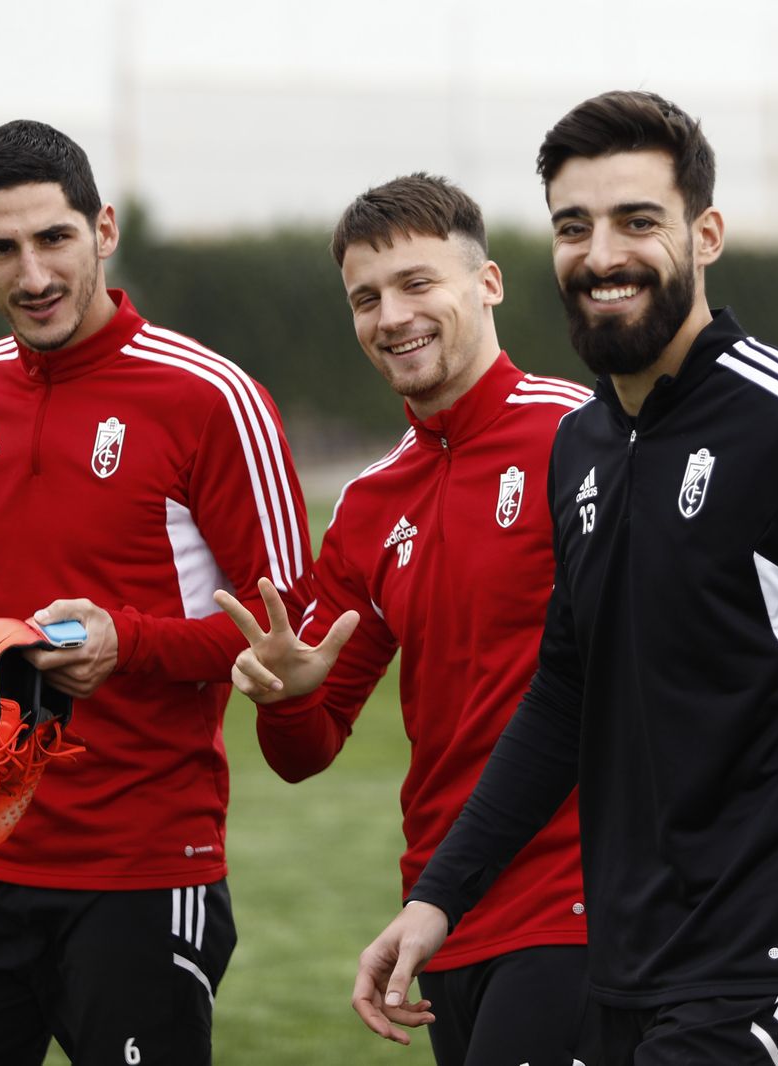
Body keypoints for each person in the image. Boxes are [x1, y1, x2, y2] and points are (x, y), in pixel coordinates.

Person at [353, 91, 778, 1066]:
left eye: (638, 221)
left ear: (705, 233)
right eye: (573, 226)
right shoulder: (583, 447)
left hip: (776, 961)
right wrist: (439, 897)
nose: (602, 257)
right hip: (628, 964)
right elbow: (564, 698)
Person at [0, 119, 310, 1065]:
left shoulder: (209, 396)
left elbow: (291, 636)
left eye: (55, 238)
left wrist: (127, 644)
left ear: (103, 229)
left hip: (144, 871)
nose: (34, 274)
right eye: (3, 249)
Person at [213, 173, 592, 1066]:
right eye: (366, 298)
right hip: (443, 910)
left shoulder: (585, 443)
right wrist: (286, 695)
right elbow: (303, 754)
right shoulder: (369, 506)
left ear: (488, 283)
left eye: (419, 283)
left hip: (580, 901)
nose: (392, 316)